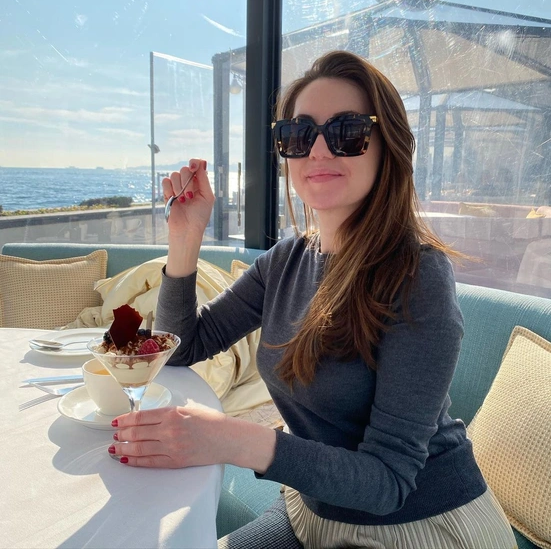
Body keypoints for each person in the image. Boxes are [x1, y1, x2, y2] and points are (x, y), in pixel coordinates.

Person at [109, 51, 516, 549]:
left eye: (347, 131)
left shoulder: (416, 276)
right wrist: (185, 237)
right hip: (314, 508)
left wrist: (230, 438)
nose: (318, 150)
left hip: (419, 524)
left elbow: (389, 482)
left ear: (387, 147)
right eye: (299, 135)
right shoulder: (285, 262)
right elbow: (182, 346)